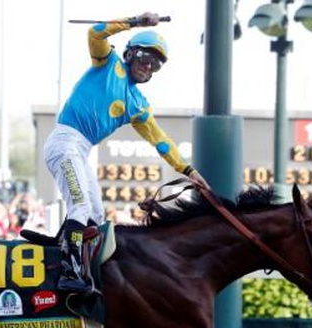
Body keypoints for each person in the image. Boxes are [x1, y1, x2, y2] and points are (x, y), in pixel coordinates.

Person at [44, 13, 209, 293]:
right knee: (81, 207)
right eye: (145, 58)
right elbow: (96, 33)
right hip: (64, 141)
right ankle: (69, 271)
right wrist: (135, 22)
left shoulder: (138, 104)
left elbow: (162, 141)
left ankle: (88, 270)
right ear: (130, 54)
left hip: (80, 151)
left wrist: (189, 172)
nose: (149, 67)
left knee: (96, 216)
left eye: (156, 64)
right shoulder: (107, 63)